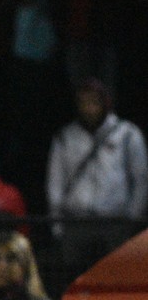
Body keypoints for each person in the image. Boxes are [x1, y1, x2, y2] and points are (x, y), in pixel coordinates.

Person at [46, 78, 148, 280]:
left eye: (93, 102)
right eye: (83, 102)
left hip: (115, 224)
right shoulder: (65, 137)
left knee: (115, 281)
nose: (88, 108)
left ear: (105, 103)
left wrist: (131, 219)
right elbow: (54, 182)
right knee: (75, 281)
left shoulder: (127, 134)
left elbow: (141, 179)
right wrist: (57, 224)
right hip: (76, 224)